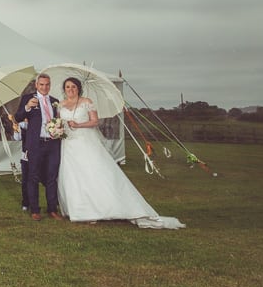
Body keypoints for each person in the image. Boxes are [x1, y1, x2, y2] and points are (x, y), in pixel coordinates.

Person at [57, 77, 186, 229]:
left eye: (73, 86)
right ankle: (78, 210)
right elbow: (59, 123)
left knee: (92, 173)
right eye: (67, 87)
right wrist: (57, 130)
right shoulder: (61, 104)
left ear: (78, 88)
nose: (70, 89)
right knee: (73, 175)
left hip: (85, 142)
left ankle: (98, 209)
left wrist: (79, 125)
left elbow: (95, 121)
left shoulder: (87, 102)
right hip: (68, 144)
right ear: (64, 89)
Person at [15, 73, 62, 221]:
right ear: (36, 85)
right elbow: (17, 117)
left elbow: (58, 120)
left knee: (52, 177)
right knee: (33, 177)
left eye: (47, 84)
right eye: (41, 84)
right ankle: (35, 210)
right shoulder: (28, 99)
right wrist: (27, 107)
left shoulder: (55, 101)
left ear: (50, 85)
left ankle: (52, 209)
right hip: (35, 144)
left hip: (53, 144)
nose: (44, 87)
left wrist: (58, 129)